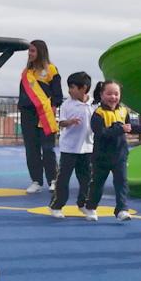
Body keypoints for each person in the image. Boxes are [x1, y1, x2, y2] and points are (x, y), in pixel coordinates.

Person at [85, 80, 141, 221]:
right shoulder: (98, 114)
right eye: (109, 93)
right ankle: (91, 207)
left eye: (116, 94)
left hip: (119, 155)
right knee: (97, 183)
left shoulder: (123, 111)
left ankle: (122, 209)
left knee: (121, 183)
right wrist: (119, 129)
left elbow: (129, 127)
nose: (113, 97)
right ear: (102, 95)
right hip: (101, 157)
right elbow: (101, 133)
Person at [18, 39, 63, 193]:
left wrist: (52, 109)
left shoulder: (51, 69)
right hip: (27, 115)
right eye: (29, 51)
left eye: (33, 51)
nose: (30, 54)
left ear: (41, 52)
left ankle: (53, 179)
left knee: (48, 149)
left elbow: (58, 94)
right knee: (31, 149)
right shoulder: (26, 73)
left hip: (44, 115)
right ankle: (36, 180)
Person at [49, 72, 94, 218]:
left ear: (84, 88)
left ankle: (84, 204)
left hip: (88, 148)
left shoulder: (93, 104)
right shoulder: (67, 104)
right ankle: (56, 205)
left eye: (73, 87)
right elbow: (61, 122)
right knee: (63, 178)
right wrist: (70, 122)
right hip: (69, 148)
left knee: (86, 178)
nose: (69, 90)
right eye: (69, 87)